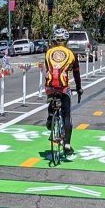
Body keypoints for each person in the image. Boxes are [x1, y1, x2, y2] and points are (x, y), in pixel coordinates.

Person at [44, 28, 83, 156]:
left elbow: (48, 68)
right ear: (66, 40)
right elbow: (76, 73)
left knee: (52, 97)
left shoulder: (49, 52)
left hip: (50, 86)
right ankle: (67, 144)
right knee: (66, 116)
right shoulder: (71, 54)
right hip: (64, 87)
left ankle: (50, 116)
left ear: (55, 40)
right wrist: (79, 88)